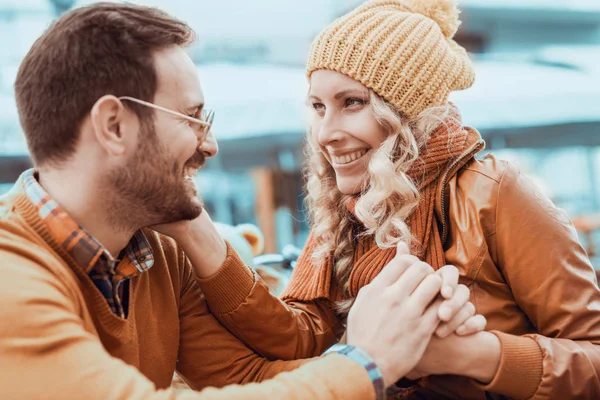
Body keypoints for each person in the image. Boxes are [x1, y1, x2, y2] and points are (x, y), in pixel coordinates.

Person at [0, 3, 475, 400]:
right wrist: (367, 362)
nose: (210, 146)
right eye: (191, 118)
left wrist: (404, 343)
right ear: (113, 126)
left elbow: (244, 380)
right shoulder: (11, 275)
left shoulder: (158, 254)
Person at [192, 0, 600, 399]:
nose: (325, 133)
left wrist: (471, 356)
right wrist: (199, 235)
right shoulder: (345, 210)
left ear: (406, 109)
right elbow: (301, 341)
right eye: (318, 107)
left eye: (352, 102)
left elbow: (593, 358)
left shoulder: (492, 191)